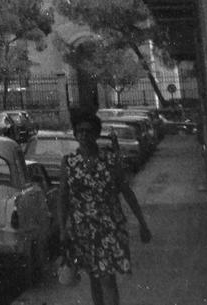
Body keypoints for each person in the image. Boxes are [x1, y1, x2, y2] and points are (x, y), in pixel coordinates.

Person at [60, 111, 152, 305]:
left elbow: (127, 192)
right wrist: (63, 229)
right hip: (84, 230)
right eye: (79, 131)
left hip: (109, 228)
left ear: (96, 133)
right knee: (95, 279)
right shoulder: (69, 163)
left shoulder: (110, 160)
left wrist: (142, 223)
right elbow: (63, 198)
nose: (83, 135)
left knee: (107, 279)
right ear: (75, 134)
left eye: (88, 131)